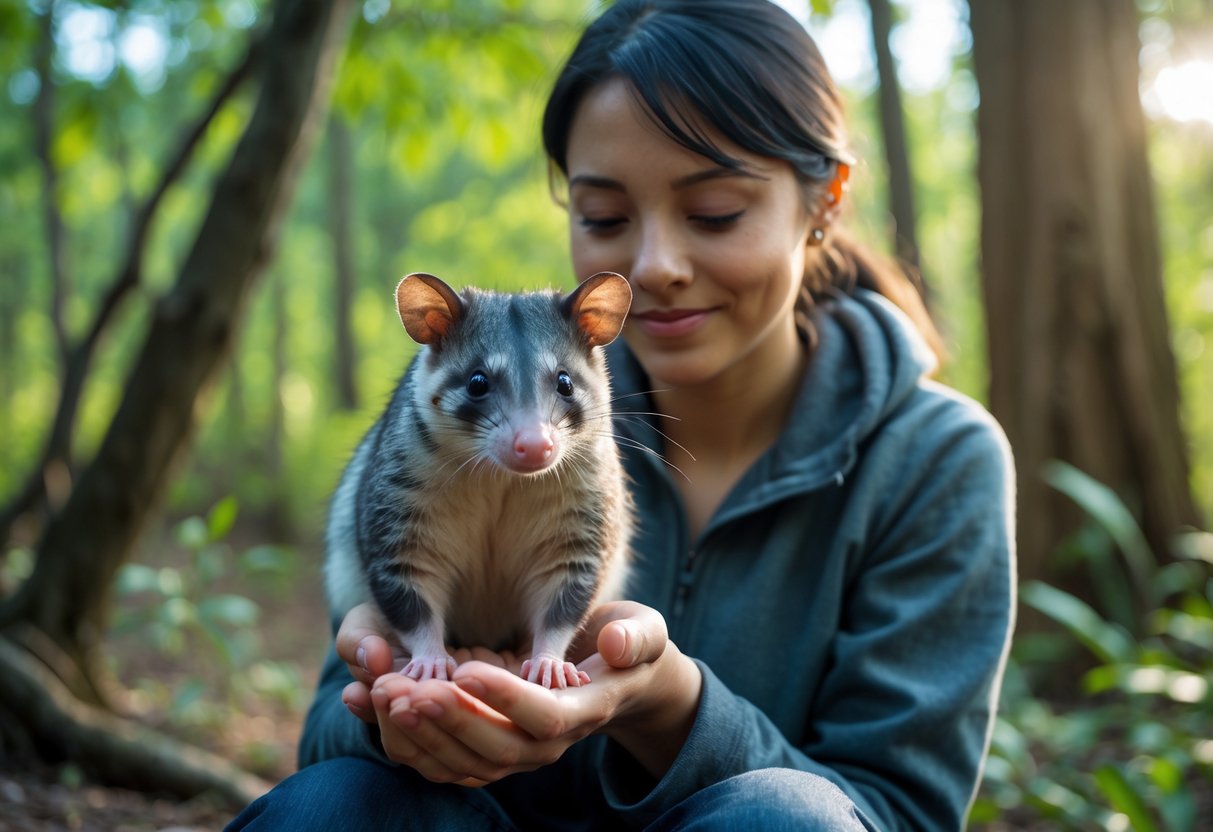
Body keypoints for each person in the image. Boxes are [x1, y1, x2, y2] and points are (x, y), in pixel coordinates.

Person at [228, 0, 1016, 828]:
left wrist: (670, 708)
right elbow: (322, 742)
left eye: (714, 213)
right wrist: (396, 715)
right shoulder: (484, 406)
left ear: (824, 200)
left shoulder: (936, 461)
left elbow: (896, 811)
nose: (654, 266)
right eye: (603, 218)